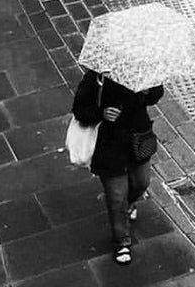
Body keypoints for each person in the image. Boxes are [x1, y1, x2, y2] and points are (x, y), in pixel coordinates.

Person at [72, 70, 164, 266]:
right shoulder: (96, 78)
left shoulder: (142, 69)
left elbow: (156, 96)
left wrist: (148, 91)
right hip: (108, 146)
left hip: (136, 140)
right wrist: (102, 113)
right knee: (116, 196)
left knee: (141, 183)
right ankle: (122, 241)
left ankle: (128, 205)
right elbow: (79, 109)